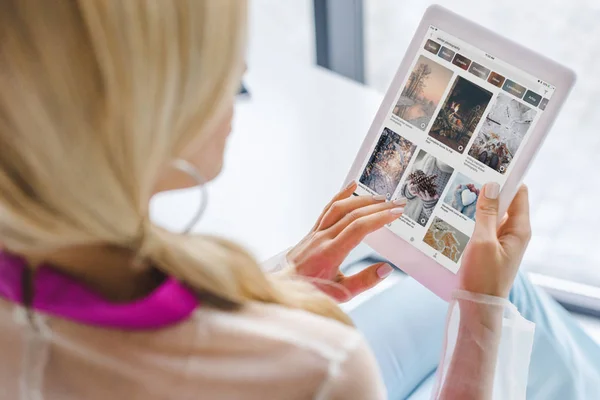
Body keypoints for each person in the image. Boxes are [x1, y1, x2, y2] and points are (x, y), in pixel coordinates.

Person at [1, 1, 599, 399]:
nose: (240, 77)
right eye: (222, 74)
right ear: (141, 116)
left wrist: (279, 285)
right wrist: (481, 309)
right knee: (508, 297)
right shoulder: (316, 368)